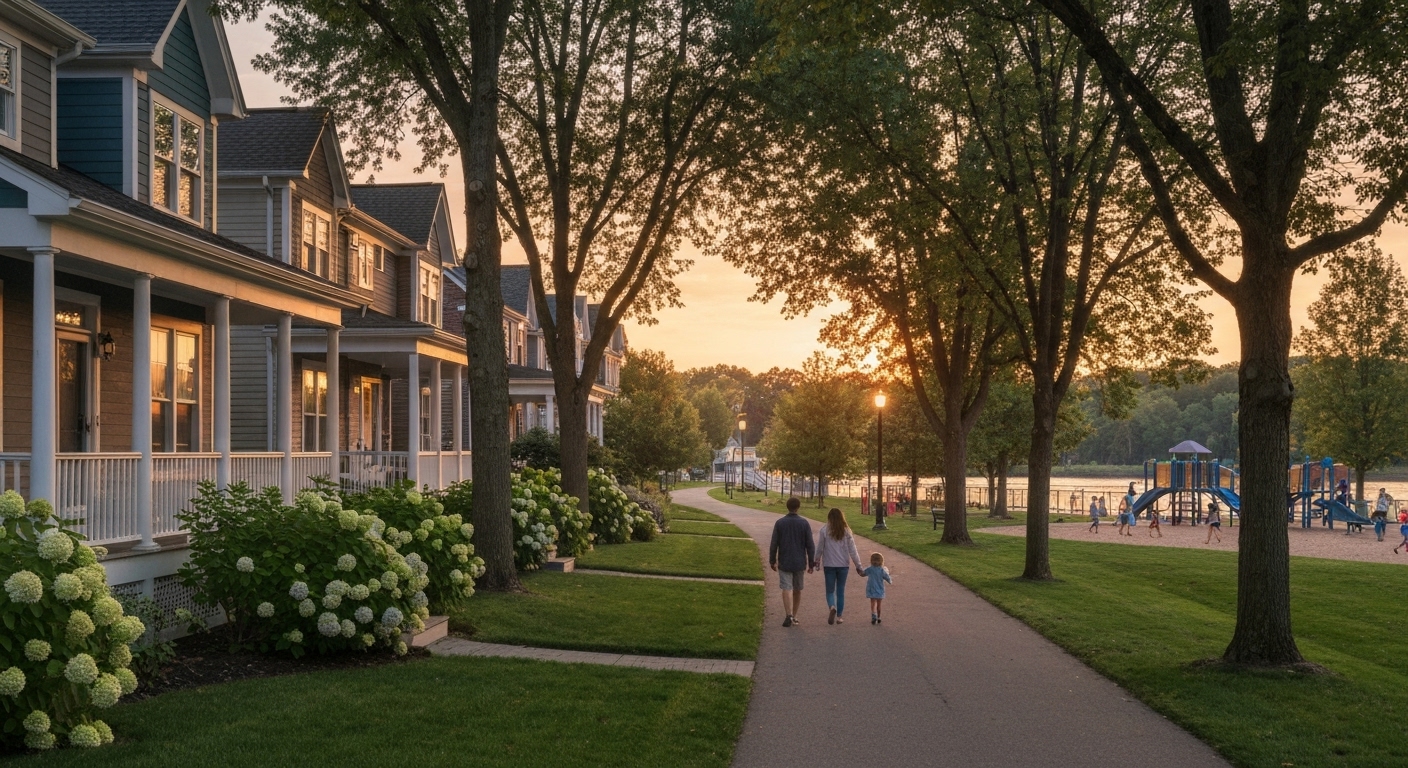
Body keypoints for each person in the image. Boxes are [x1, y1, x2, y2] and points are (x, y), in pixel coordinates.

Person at [769, 497, 816, 627]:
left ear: (787, 507)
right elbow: (810, 545)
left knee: (786, 588)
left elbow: (774, 544)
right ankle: (794, 616)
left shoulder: (780, 523)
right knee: (797, 589)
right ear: (798, 507)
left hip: (784, 560)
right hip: (799, 561)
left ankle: (788, 614)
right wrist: (811, 563)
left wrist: (772, 560)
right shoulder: (804, 523)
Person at [815, 508, 864, 625]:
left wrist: (816, 561)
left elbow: (820, 548)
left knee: (830, 591)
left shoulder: (824, 530)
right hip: (843, 565)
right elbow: (853, 550)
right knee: (840, 591)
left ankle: (832, 607)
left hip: (829, 565)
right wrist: (858, 565)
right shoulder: (847, 531)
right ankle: (840, 617)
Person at [862, 552, 893, 625]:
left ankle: (873, 615)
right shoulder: (882, 570)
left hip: (872, 588)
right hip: (880, 588)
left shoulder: (870, 569)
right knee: (879, 604)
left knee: (873, 603)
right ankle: (879, 617)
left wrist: (860, 572)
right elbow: (887, 577)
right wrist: (890, 581)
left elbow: (863, 573)